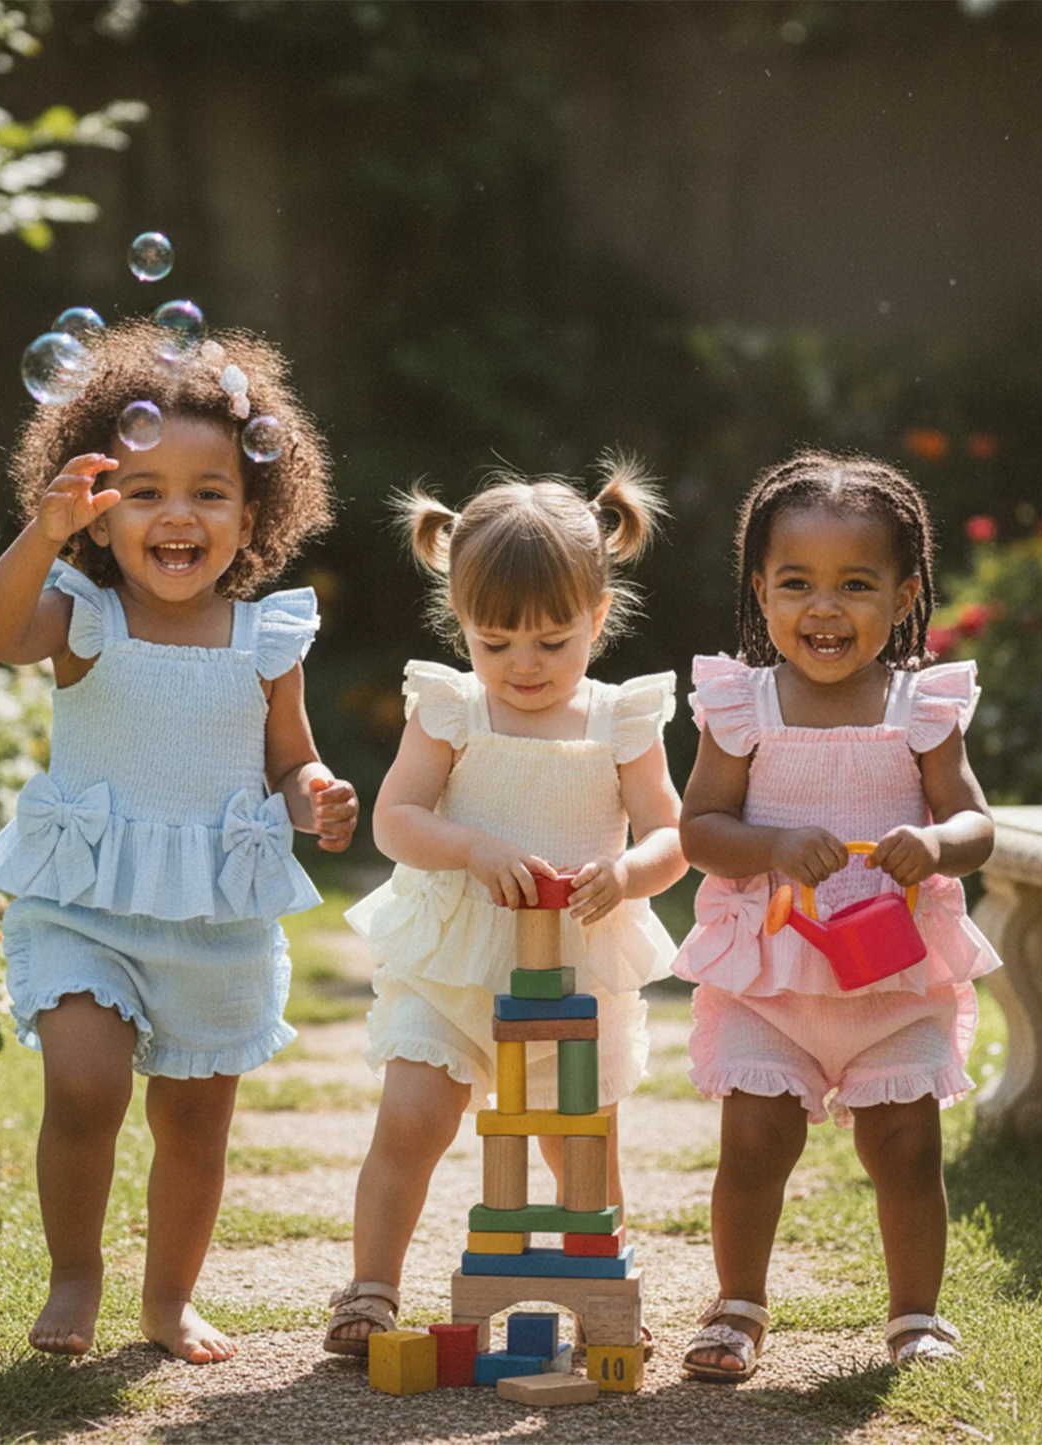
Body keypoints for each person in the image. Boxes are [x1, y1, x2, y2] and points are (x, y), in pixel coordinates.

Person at [0, 319, 357, 1363]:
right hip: (87, 901)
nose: (175, 514)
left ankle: (168, 1297)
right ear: (99, 514)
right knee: (86, 1086)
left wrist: (314, 793)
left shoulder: (266, 638)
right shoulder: (78, 614)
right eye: (142, 492)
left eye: (207, 491)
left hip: (215, 919)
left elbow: (288, 760)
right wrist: (40, 536)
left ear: (254, 510)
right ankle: (73, 1272)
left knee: (194, 1130)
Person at [324, 458, 688, 1355]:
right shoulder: (451, 710)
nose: (522, 665)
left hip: (573, 965)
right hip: (454, 959)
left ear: (598, 619)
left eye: (552, 642)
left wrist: (628, 873)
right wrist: (472, 847)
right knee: (410, 1120)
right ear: (461, 626)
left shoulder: (618, 720)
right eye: (495, 642)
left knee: (578, 1146)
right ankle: (370, 1288)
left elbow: (673, 834)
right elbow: (397, 820)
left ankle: (606, 1294)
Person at [675, 449, 1000, 1382]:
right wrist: (770, 846)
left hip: (891, 972)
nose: (825, 608)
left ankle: (914, 1315)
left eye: (856, 584)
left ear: (902, 599)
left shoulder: (920, 707)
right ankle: (737, 1304)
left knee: (905, 1146)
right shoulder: (741, 704)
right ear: (760, 593)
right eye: (797, 583)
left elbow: (975, 821)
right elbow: (699, 827)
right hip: (773, 971)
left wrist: (935, 845)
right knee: (753, 1140)